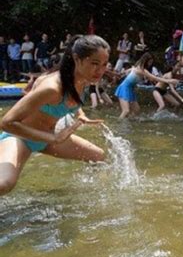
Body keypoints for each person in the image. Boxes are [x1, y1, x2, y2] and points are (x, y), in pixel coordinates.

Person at [0, 35, 110, 196]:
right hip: (19, 138)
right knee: (4, 184)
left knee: (97, 156)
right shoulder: (52, 87)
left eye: (104, 64)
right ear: (77, 59)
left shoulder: (83, 79)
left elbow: (72, 102)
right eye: (94, 63)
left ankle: (85, 196)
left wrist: (82, 115)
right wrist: (53, 138)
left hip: (48, 138)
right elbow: (7, 122)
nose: (100, 70)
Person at [114, 52, 178, 119]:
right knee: (126, 111)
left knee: (136, 110)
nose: (150, 64)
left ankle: (128, 121)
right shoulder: (141, 70)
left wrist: (123, 72)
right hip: (124, 88)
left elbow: (132, 69)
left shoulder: (138, 67)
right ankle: (119, 124)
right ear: (145, 61)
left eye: (151, 62)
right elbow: (154, 78)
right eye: (149, 62)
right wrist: (169, 81)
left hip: (130, 89)